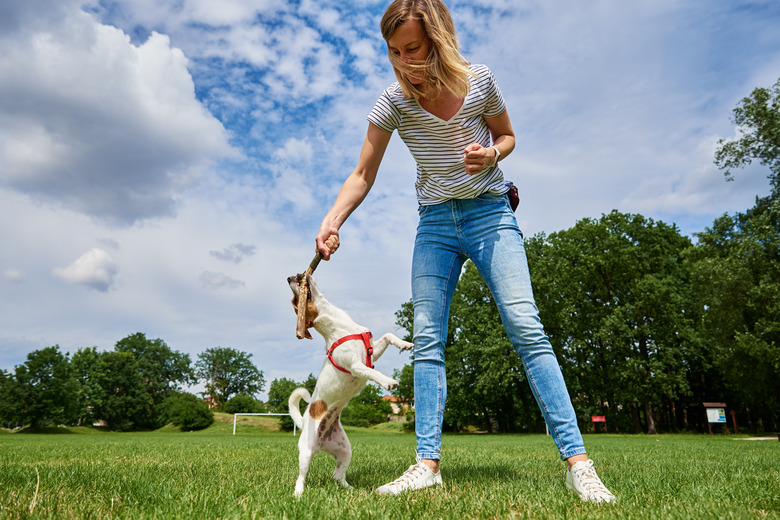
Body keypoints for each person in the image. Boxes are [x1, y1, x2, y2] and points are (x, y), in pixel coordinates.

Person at [315, 0, 615, 503]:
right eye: (393, 52)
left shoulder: (479, 80)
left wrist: (492, 153)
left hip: (490, 212)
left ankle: (578, 464)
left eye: (413, 48)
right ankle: (426, 465)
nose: (404, 61)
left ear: (437, 39)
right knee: (428, 338)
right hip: (434, 223)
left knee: (525, 325)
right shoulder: (392, 101)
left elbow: (508, 135)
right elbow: (362, 173)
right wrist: (333, 219)